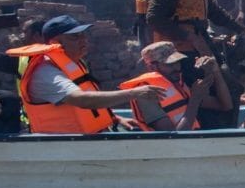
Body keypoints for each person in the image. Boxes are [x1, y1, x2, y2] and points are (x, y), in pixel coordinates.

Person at [10, 15, 164, 133]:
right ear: (54, 43)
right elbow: (82, 100)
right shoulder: (46, 71)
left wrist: (114, 118)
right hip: (61, 146)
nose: (83, 40)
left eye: (83, 35)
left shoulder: (74, 63)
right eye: (74, 37)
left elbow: (86, 107)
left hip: (83, 142)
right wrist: (133, 93)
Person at [119, 41, 232, 131]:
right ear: (152, 67)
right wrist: (195, 99)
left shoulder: (179, 85)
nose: (177, 68)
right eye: (169, 64)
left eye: (177, 62)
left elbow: (225, 105)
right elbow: (173, 138)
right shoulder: (145, 94)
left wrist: (215, 71)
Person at [0, 17, 45, 132]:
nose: (21, 35)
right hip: (37, 122)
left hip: (40, 123)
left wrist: (17, 48)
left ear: (37, 35)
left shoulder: (29, 60)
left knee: (8, 100)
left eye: (25, 32)